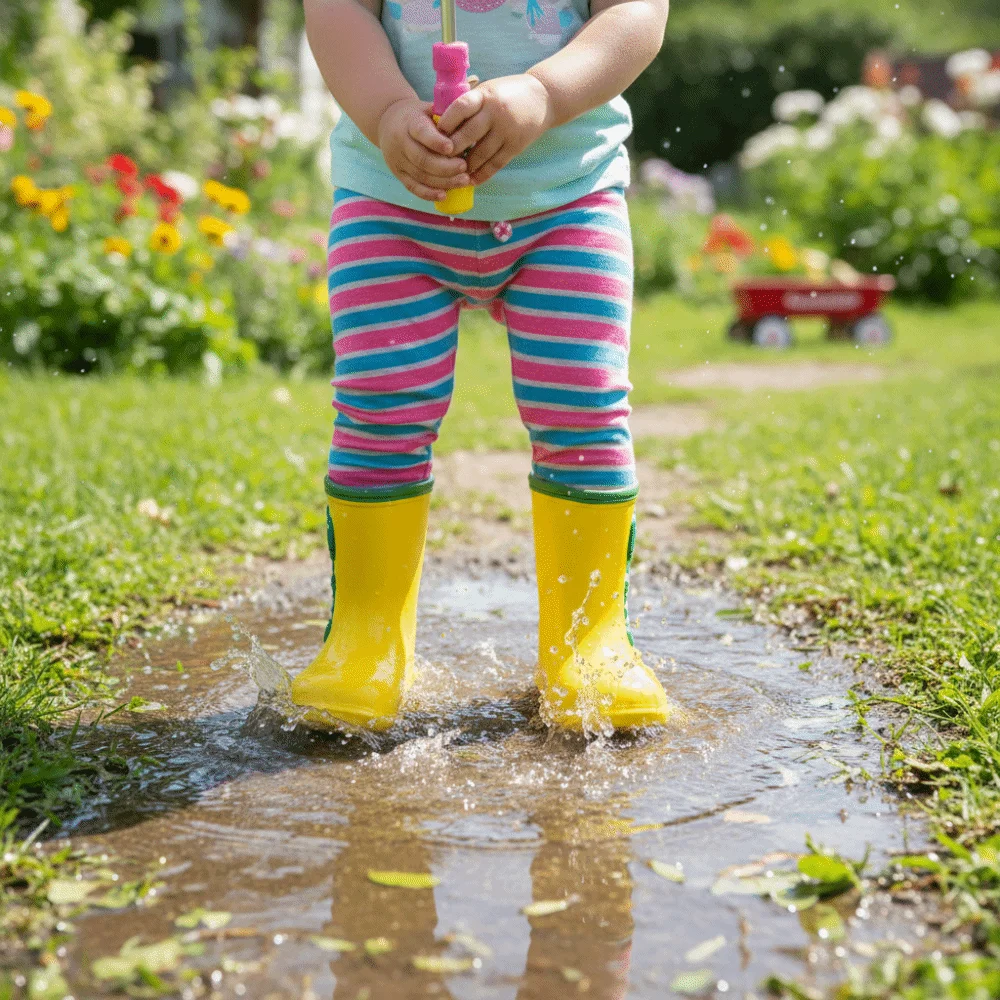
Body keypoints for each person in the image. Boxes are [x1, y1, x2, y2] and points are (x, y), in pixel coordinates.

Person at [291, 0, 673, 733]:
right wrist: (388, 111)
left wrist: (544, 92)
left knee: (582, 412)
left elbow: (635, 15)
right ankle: (367, 638)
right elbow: (337, 11)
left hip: (567, 198)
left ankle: (587, 642)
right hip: (391, 202)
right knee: (381, 410)